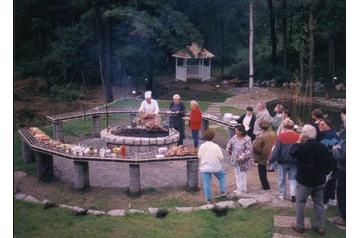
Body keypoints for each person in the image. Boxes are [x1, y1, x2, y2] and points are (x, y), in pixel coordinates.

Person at [290, 124, 334, 236]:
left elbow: (292, 152)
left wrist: (298, 141)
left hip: (305, 181)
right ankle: (320, 227)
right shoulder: (322, 147)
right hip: (319, 180)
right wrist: (324, 174)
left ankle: (299, 226)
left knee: (300, 203)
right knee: (319, 203)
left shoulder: (302, 147)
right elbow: (330, 163)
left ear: (304, 135)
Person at [270, 119, 300, 202]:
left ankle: (282, 195)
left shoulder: (281, 137)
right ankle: (293, 194)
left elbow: (276, 150)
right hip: (294, 161)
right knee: (293, 178)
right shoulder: (298, 137)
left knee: (281, 178)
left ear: (284, 126)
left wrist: (271, 159)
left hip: (282, 161)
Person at [198, 129, 226, 203]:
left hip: (205, 167)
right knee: (222, 176)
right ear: (213, 137)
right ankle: (223, 191)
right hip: (215, 166)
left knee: (206, 182)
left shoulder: (202, 146)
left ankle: (208, 199)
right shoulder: (216, 146)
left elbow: (199, 156)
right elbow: (221, 157)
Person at [318, 118, 340, 209]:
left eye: (322, 124)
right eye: (319, 124)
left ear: (328, 125)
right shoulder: (334, 134)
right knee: (332, 181)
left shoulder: (327, 136)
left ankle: (324, 202)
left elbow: (325, 151)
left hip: (329, 163)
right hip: (335, 163)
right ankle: (332, 199)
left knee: (325, 182)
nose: (320, 126)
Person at [226, 125, 253, 195]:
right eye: (235, 131)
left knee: (242, 175)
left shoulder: (247, 140)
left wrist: (242, 156)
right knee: (237, 174)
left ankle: (243, 189)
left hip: (243, 161)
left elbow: (249, 151)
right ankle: (238, 188)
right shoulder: (234, 137)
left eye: (237, 131)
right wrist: (228, 148)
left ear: (241, 131)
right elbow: (229, 143)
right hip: (235, 159)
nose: (235, 132)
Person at [332, 108, 346, 226]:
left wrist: (336, 150)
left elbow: (343, 157)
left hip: (344, 169)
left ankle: (344, 217)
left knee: (342, 192)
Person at [253, 120, 276, 190]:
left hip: (262, 155)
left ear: (260, 127)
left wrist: (256, 152)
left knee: (261, 171)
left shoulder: (260, 136)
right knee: (264, 170)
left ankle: (265, 186)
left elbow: (256, 147)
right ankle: (266, 185)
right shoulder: (273, 133)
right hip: (271, 153)